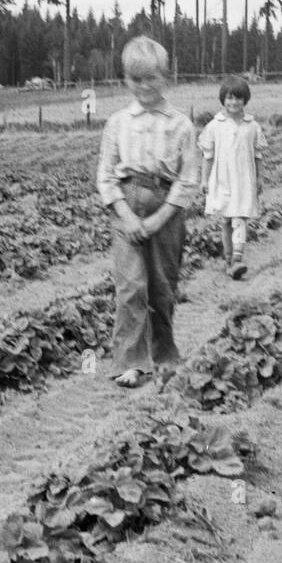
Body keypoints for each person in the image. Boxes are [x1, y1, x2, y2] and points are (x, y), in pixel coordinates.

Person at [96, 36, 201, 388]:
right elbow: (106, 177)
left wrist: (158, 219)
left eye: (151, 78)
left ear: (166, 77)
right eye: (135, 79)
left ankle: (165, 354)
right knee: (130, 287)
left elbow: (188, 181)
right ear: (126, 80)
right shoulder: (118, 123)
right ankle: (130, 361)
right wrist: (126, 216)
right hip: (126, 205)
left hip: (165, 207)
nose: (143, 86)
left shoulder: (181, 124)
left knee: (162, 287)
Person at [198, 74, 266, 280]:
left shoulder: (252, 126)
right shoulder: (215, 125)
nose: (233, 102)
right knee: (227, 220)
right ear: (223, 100)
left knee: (240, 217)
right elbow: (208, 156)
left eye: (238, 98)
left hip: (244, 178)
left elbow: (258, 155)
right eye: (229, 98)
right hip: (222, 178)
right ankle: (229, 260)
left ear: (245, 100)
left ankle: (237, 258)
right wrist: (204, 179)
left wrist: (260, 178)